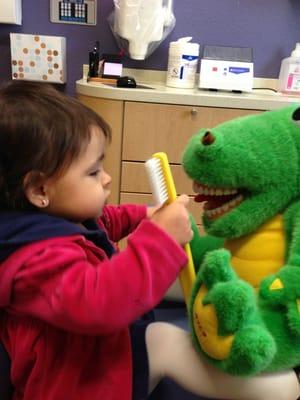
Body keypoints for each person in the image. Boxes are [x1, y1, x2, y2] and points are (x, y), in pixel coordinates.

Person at [0, 80, 298, 400]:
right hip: (79, 379)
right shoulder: (34, 261)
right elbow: (100, 302)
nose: (107, 177)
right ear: (40, 191)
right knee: (167, 341)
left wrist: (146, 213)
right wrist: (160, 239)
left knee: (174, 278)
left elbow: (105, 221)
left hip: (96, 346)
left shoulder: (55, 219)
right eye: (93, 172)